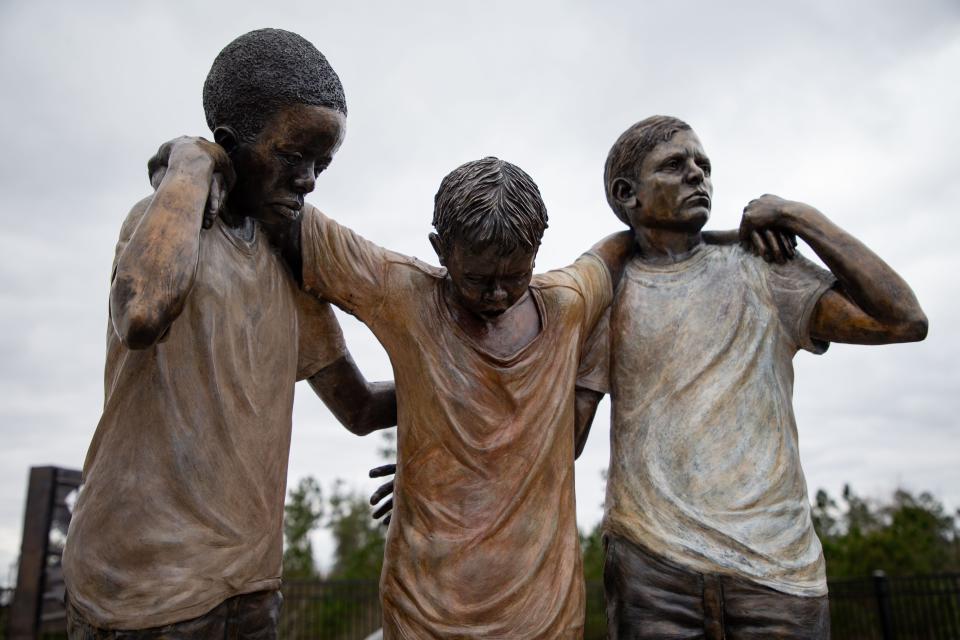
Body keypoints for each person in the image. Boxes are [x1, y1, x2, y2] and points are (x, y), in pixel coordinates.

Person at [62, 29, 395, 638]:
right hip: (143, 584)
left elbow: (361, 407)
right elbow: (142, 314)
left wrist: (477, 395)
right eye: (293, 156)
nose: (309, 180)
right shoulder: (164, 226)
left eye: (321, 164)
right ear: (229, 146)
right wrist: (188, 165)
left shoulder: (288, 271)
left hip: (249, 585)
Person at [575, 115, 928, 639]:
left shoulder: (764, 268)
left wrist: (799, 215)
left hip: (778, 571)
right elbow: (564, 440)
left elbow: (902, 319)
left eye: (704, 165)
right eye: (675, 166)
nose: (698, 175)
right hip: (653, 571)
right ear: (628, 194)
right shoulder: (609, 292)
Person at [280, 156, 631, 638]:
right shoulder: (401, 291)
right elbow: (286, 217)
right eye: (478, 279)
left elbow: (619, 252)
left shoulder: (567, 304)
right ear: (441, 249)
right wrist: (195, 166)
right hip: (424, 613)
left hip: (543, 616)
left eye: (515, 276)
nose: (497, 295)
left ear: (537, 250)